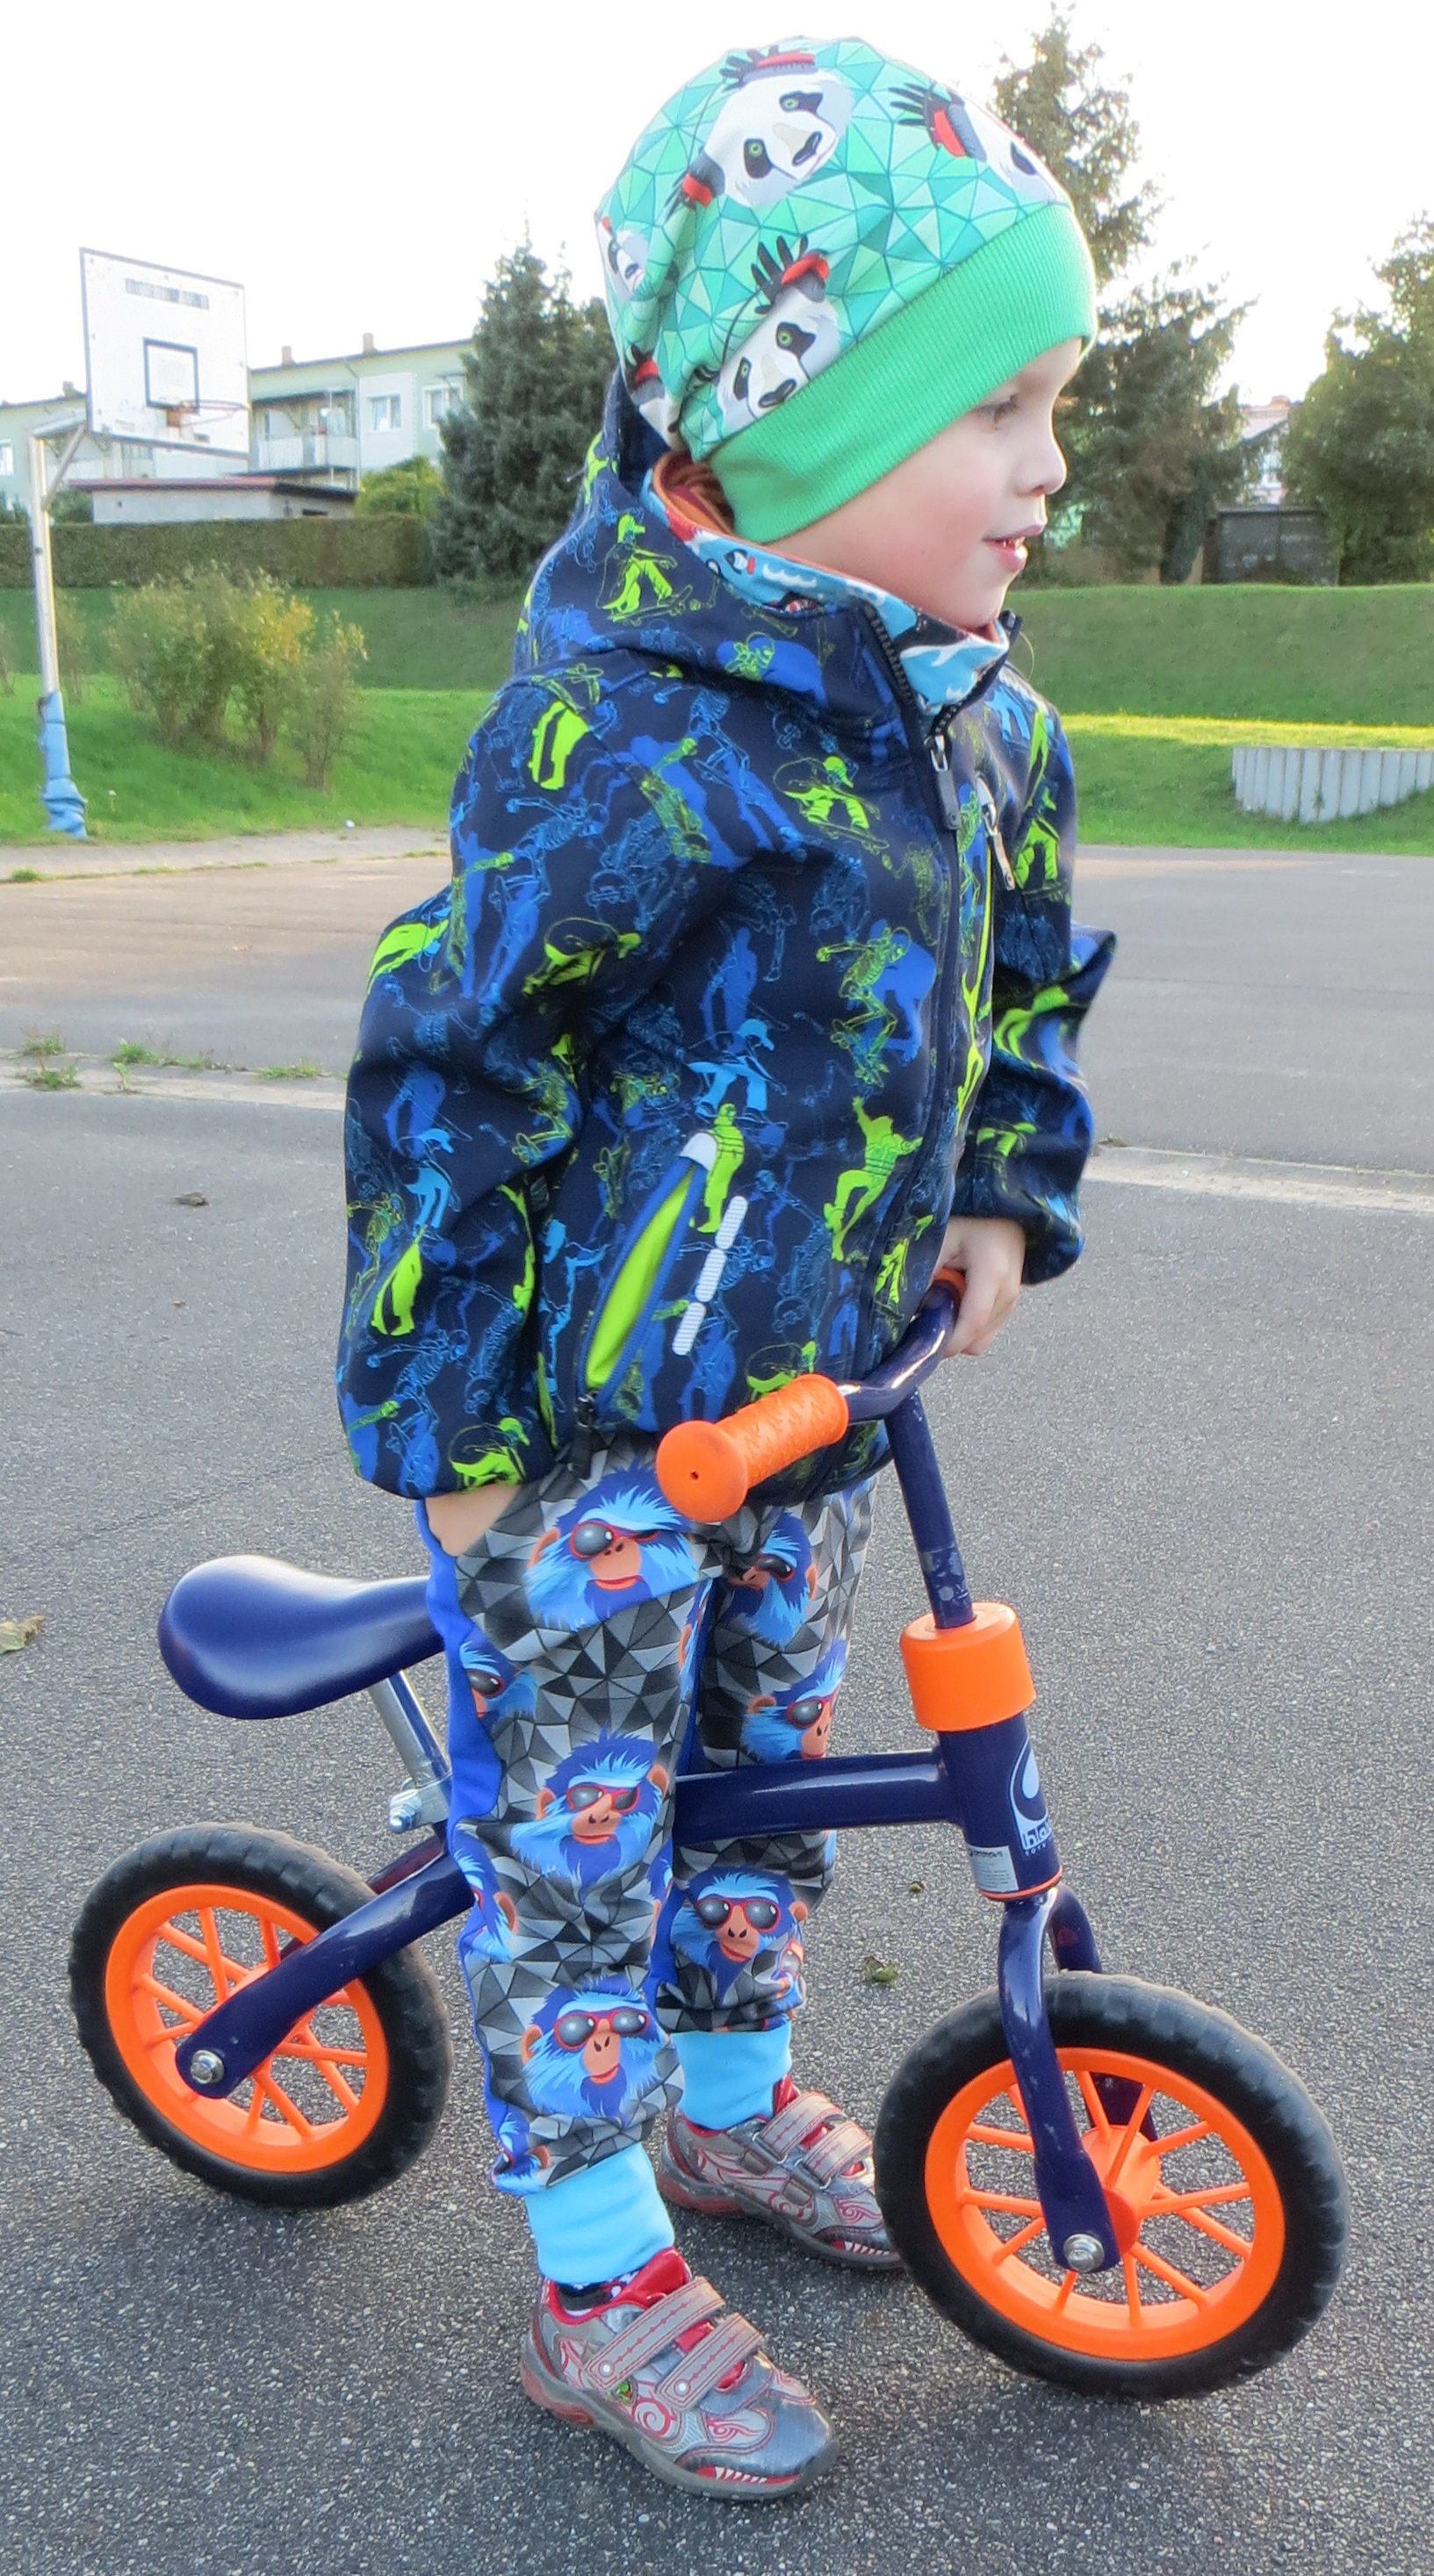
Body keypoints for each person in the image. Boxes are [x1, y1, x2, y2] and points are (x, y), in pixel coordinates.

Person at [338, 37, 1113, 2500]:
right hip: (588, 1445)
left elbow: (1020, 986)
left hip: (815, 1409)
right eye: (994, 405)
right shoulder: (620, 737)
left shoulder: (981, 730)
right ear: (798, 418)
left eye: (1056, 402)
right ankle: (591, 2277)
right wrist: (448, 1436)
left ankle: (723, 2102)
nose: (1050, 466)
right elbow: (453, 1077)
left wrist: (997, 1185)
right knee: (581, 1852)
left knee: (763, 1792)